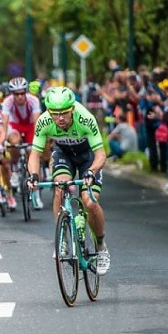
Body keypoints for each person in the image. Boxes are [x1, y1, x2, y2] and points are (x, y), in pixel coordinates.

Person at [27, 86, 110, 275]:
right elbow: (35, 155)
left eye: (64, 113)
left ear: (72, 109)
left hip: (88, 156)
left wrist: (91, 172)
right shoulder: (44, 121)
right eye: (55, 114)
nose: (60, 118)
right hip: (63, 153)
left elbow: (101, 155)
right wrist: (33, 175)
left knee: (89, 201)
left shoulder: (85, 118)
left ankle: (100, 245)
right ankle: (62, 239)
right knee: (59, 187)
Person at [2, 77, 42, 208]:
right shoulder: (7, 102)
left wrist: (36, 142)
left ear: (26, 92)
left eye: (22, 93)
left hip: (30, 126)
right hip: (15, 126)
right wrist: (2, 140)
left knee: (33, 153)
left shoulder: (33, 100)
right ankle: (15, 168)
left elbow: (37, 122)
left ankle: (36, 194)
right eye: (16, 94)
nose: (19, 97)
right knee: (14, 141)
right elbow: (5, 124)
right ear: (12, 94)